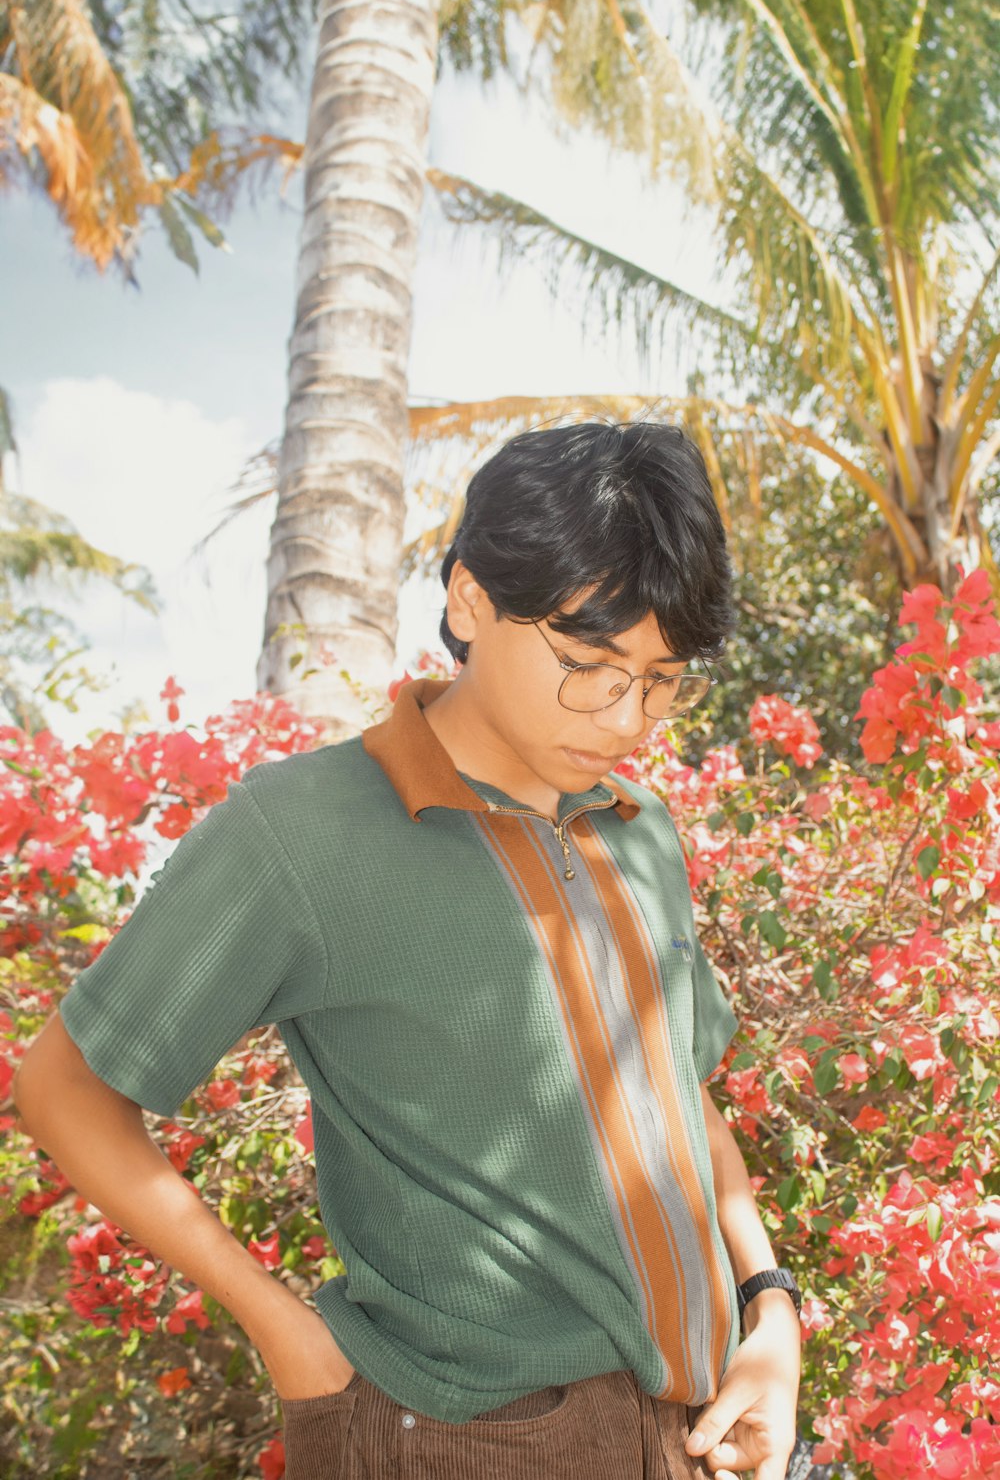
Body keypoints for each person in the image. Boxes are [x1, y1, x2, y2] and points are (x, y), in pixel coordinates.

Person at [14, 420, 802, 1480]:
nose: (627, 717)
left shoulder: (636, 823)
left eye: (662, 680)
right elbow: (66, 1089)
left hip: (701, 1427)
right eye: (589, 664)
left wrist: (768, 1310)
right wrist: (285, 1333)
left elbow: (677, 1092)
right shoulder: (306, 831)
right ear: (470, 599)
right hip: (466, 1437)